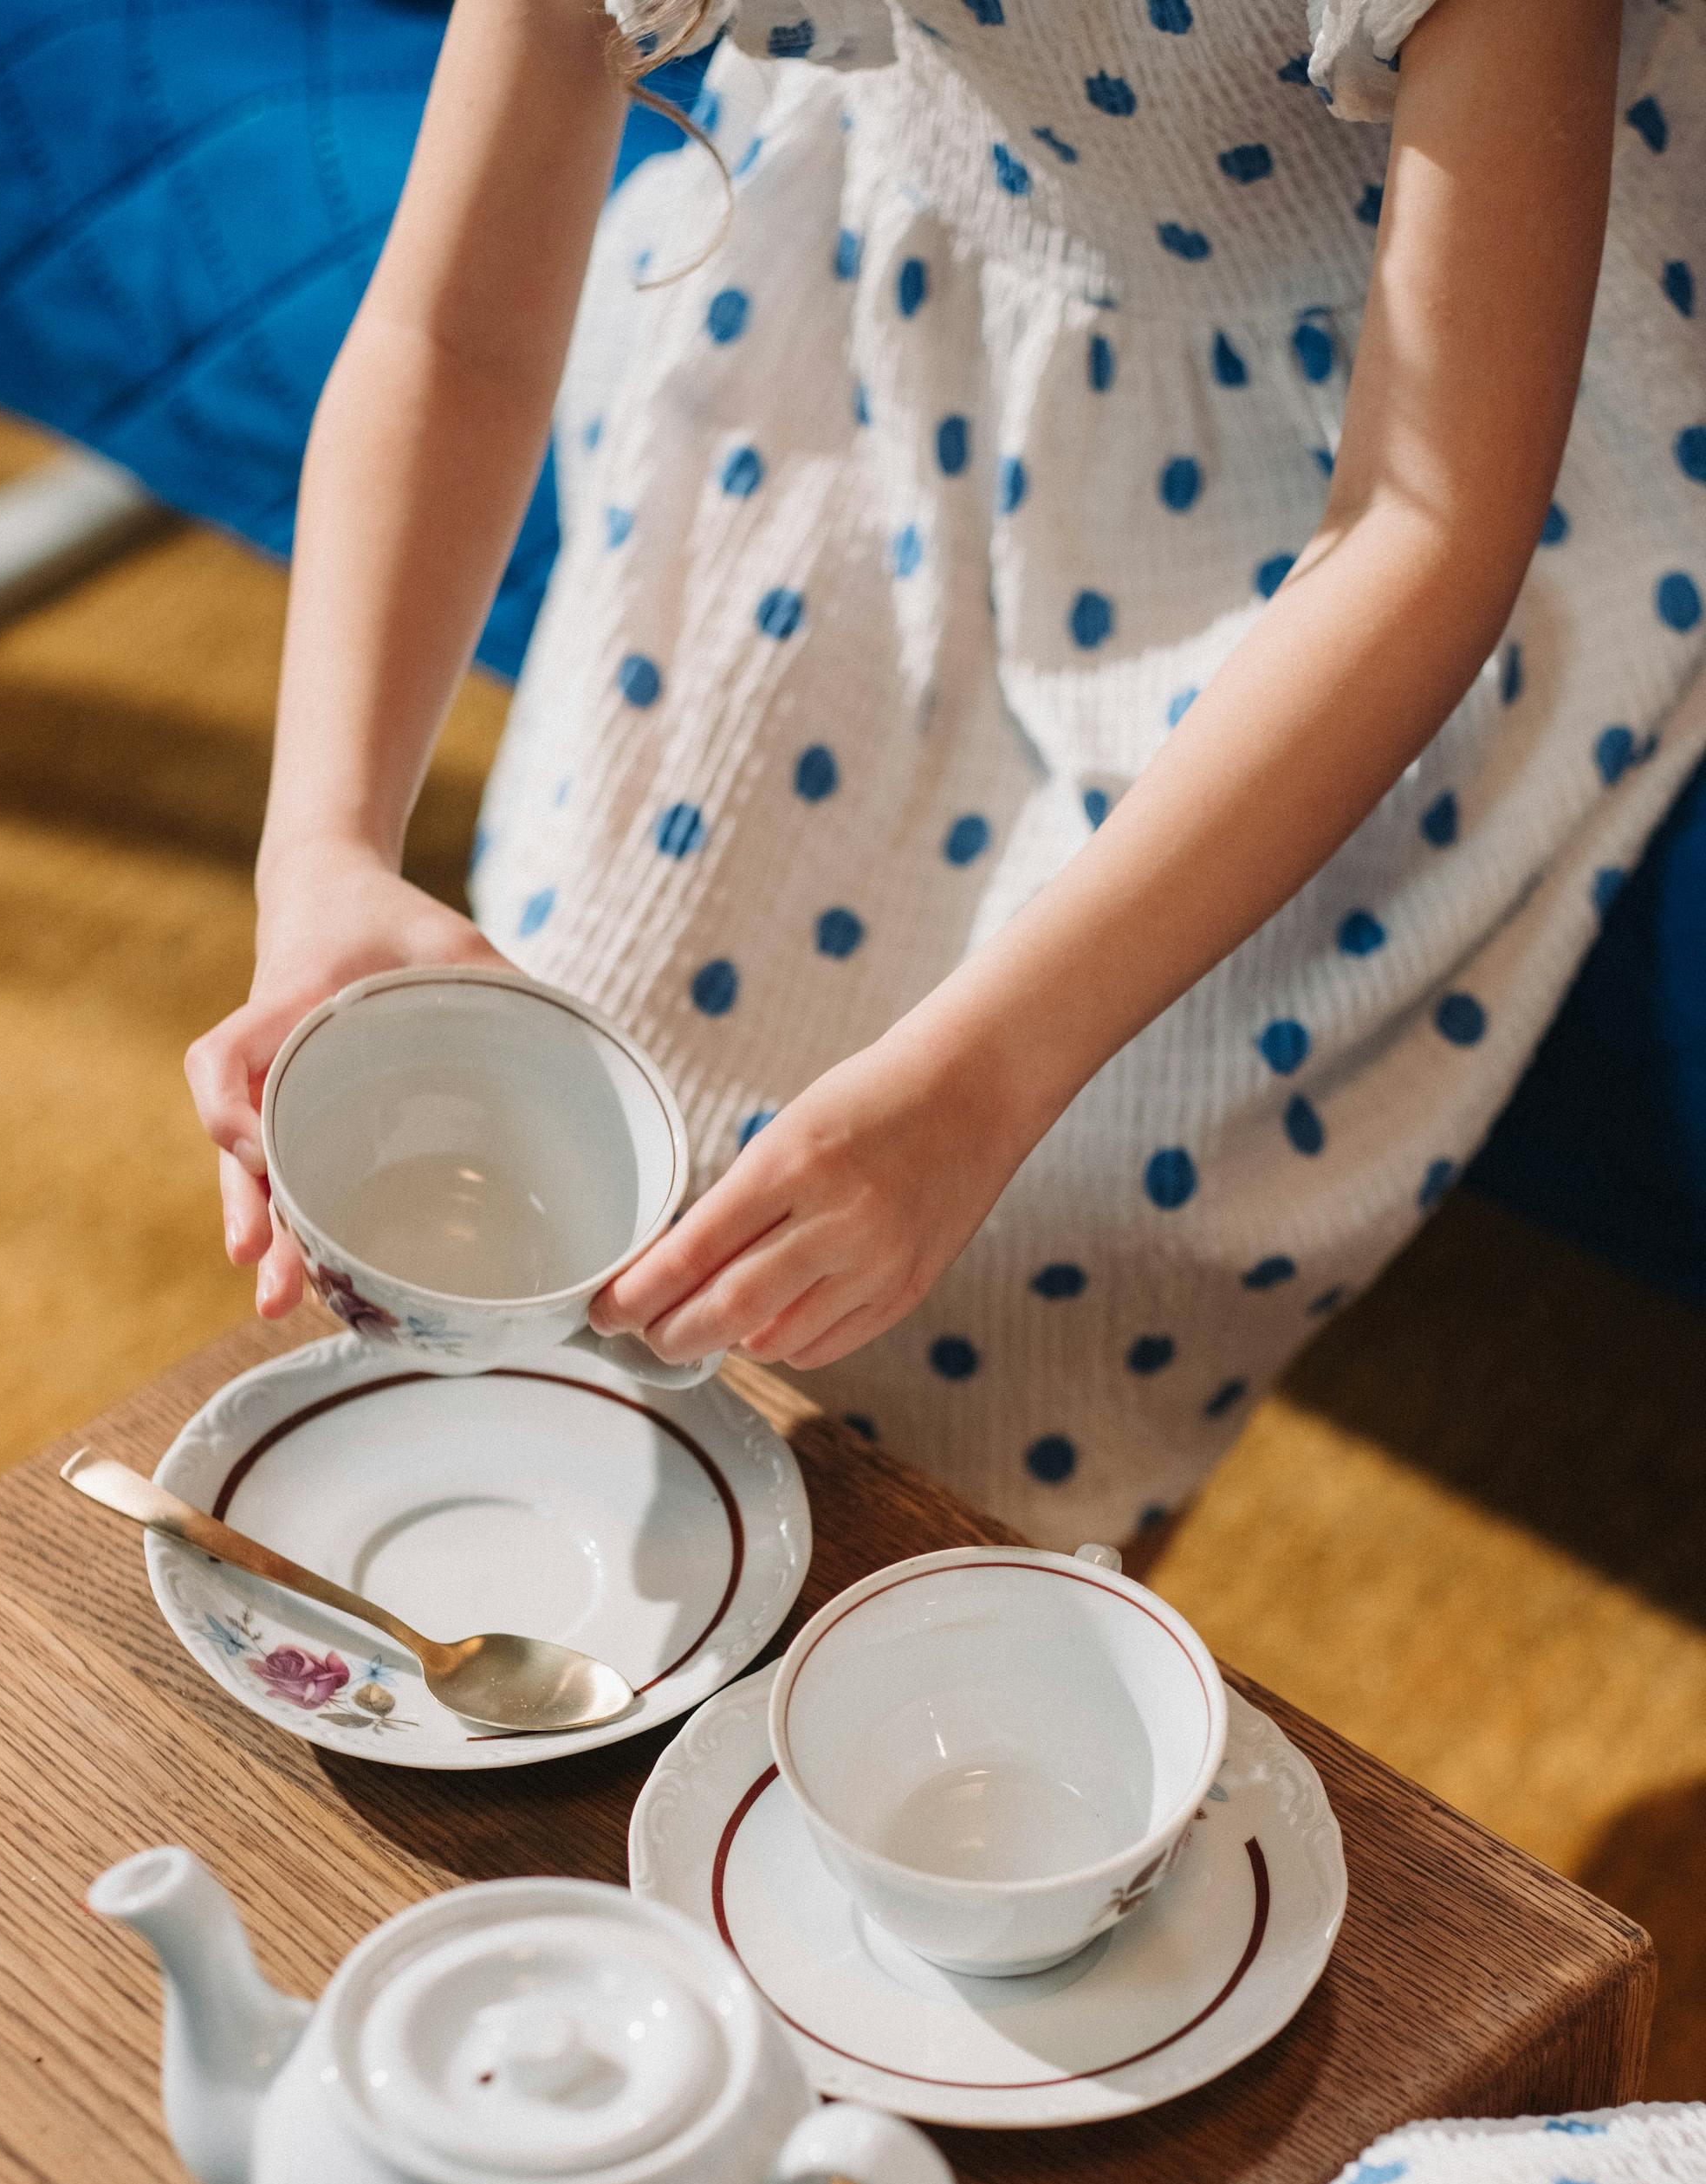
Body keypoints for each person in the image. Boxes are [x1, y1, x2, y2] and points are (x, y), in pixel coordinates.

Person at [185, 0, 1705, 1546]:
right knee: (591, 1058)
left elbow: (1425, 527)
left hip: (1376, 486)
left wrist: (983, 1089)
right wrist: (323, 854)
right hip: (884, 330)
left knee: (1071, 1240)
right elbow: (454, 332)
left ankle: (1007, 1602)